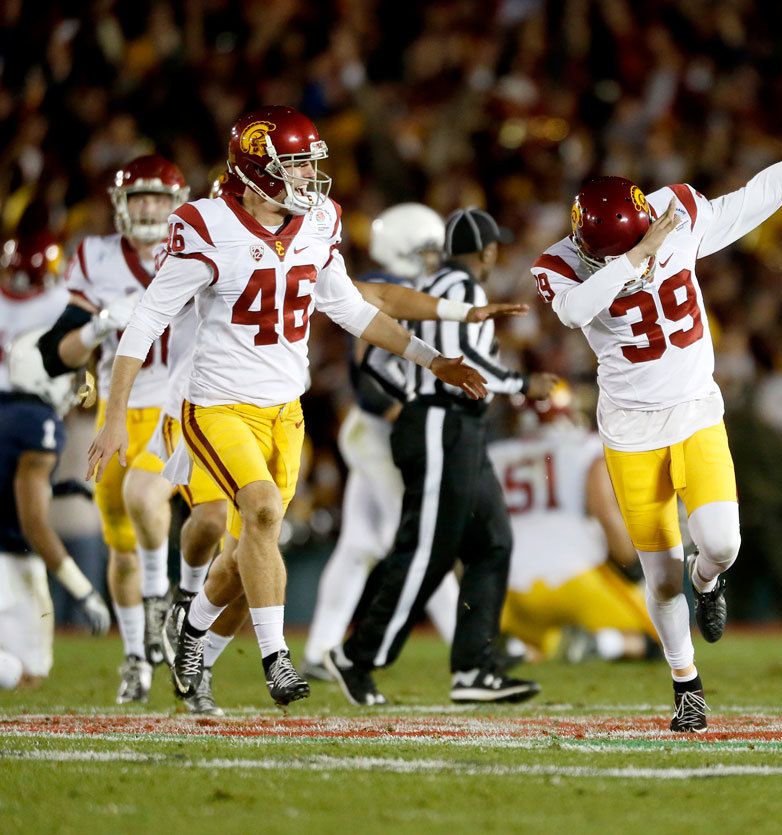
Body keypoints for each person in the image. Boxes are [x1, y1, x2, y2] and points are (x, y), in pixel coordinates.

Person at [86, 105, 489, 707]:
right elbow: (145, 321)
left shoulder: (319, 219)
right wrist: (116, 412)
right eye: (294, 166)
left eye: (308, 165)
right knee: (265, 512)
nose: (307, 178)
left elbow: (349, 307)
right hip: (217, 404)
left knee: (248, 559)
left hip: (285, 409)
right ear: (256, 171)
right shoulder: (205, 224)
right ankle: (277, 660)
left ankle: (190, 633)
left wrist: (430, 358)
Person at [530, 91, 782, 731]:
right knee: (659, 577)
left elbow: (758, 196)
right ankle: (686, 684)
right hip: (632, 428)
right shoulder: (562, 265)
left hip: (695, 409)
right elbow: (573, 311)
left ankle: (710, 581)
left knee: (720, 544)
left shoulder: (674, 213)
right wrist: (637, 259)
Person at [327, 207, 555, 706]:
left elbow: (377, 360)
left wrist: (407, 390)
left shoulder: (429, 285)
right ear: (488, 252)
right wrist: (521, 384)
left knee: (492, 541)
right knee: (427, 549)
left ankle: (474, 668)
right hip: (441, 422)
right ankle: (356, 657)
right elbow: (464, 361)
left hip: (451, 425)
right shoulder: (462, 289)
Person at [37, 155, 189, 703]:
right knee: (121, 546)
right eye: (139, 197)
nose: (149, 207)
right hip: (118, 413)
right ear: (121, 206)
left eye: (158, 197)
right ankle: (137, 660)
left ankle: (159, 601)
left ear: (179, 203)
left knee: (147, 501)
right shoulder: (96, 258)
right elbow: (60, 354)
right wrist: (102, 322)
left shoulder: (199, 245)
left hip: (180, 406)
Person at [0, 240, 111, 689]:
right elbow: (33, 522)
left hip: (9, 549)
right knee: (19, 672)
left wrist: (62, 488)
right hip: (8, 552)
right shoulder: (36, 424)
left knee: (34, 671)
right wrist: (83, 589)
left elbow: (21, 486)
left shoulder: (18, 416)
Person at [489, 385, 660, 663]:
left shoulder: (495, 455)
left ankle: (529, 647)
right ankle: (603, 644)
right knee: (657, 639)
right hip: (577, 576)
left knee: (525, 641)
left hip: (511, 585)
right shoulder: (586, 447)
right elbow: (603, 510)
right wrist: (634, 568)